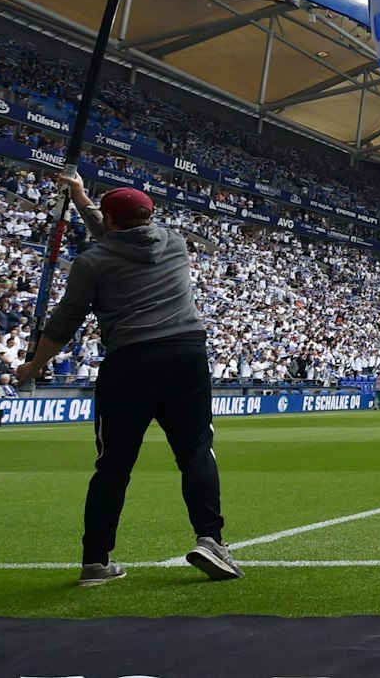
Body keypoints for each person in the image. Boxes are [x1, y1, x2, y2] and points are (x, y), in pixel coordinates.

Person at [13, 173, 241, 587]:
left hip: (130, 362)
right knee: (195, 452)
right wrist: (81, 197)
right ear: (149, 216)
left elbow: (66, 321)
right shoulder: (174, 242)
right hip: (186, 355)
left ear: (112, 221)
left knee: (113, 466)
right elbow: (113, 229)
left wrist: (34, 365)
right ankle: (212, 540)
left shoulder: (92, 262)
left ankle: (96, 561)